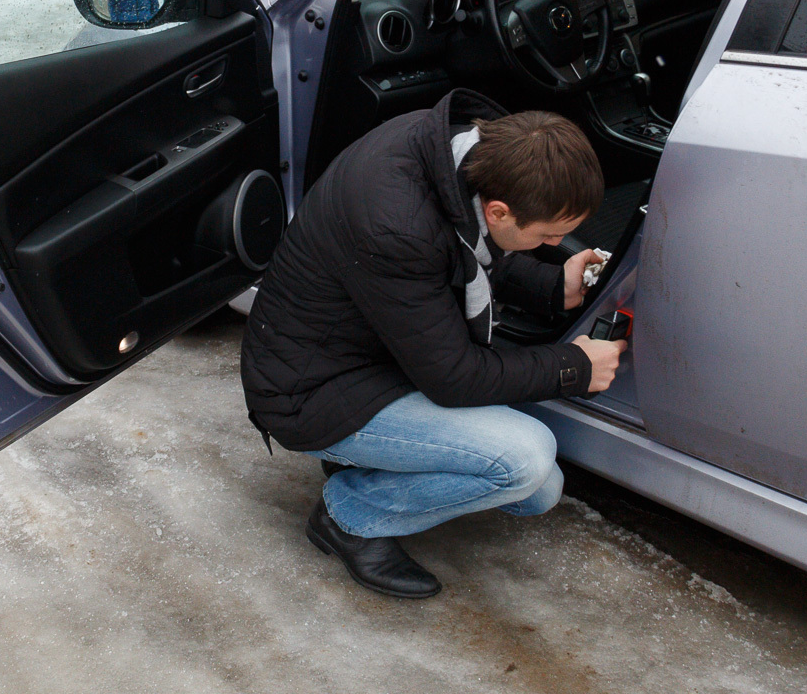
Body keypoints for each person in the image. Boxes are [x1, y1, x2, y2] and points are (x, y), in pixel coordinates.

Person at [240, 88, 627, 598]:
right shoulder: (397, 226)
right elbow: (453, 377)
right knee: (526, 463)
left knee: (540, 491)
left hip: (378, 356)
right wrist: (572, 366)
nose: (556, 246)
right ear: (498, 212)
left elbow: (465, 256)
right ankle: (348, 516)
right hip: (309, 390)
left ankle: (372, 462)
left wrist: (553, 288)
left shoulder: (457, 155)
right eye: (549, 236)